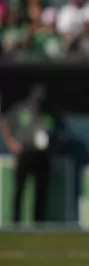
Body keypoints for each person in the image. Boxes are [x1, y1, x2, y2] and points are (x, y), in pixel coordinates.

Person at [1, 85, 60, 225]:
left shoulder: (49, 113)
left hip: (42, 155)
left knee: (41, 191)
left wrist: (52, 148)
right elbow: (5, 122)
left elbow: (57, 132)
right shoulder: (21, 109)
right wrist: (11, 142)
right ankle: (16, 222)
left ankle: (39, 222)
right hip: (25, 152)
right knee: (19, 189)